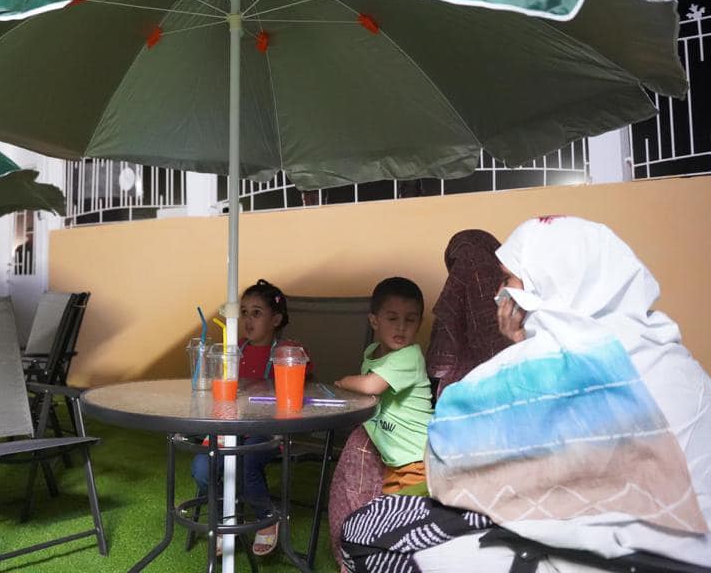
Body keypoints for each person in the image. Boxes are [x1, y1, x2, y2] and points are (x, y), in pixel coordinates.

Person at [417, 216, 711, 571]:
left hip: (634, 560)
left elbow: (444, 465)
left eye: (507, 280)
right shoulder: (665, 350)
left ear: (545, 283)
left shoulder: (543, 366)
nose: (497, 294)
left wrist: (519, 347)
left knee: (388, 537)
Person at [190, 278, 312, 557]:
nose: (247, 319)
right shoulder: (234, 350)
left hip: (270, 429)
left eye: (256, 313)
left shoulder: (286, 351)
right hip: (231, 425)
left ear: (276, 320)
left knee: (245, 462)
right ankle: (225, 516)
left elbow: (301, 386)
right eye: (243, 312)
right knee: (202, 467)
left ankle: (266, 517)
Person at [335, 277, 434, 494]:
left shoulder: (409, 357)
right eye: (392, 318)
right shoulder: (372, 353)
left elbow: (372, 386)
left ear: (420, 323)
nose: (401, 327)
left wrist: (343, 382)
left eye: (410, 320)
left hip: (419, 461)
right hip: (396, 461)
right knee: (391, 512)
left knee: (410, 513)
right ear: (374, 321)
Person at [425, 229, 512, 399]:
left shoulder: (452, 299)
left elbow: (438, 366)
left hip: (459, 396)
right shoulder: (512, 291)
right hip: (507, 388)